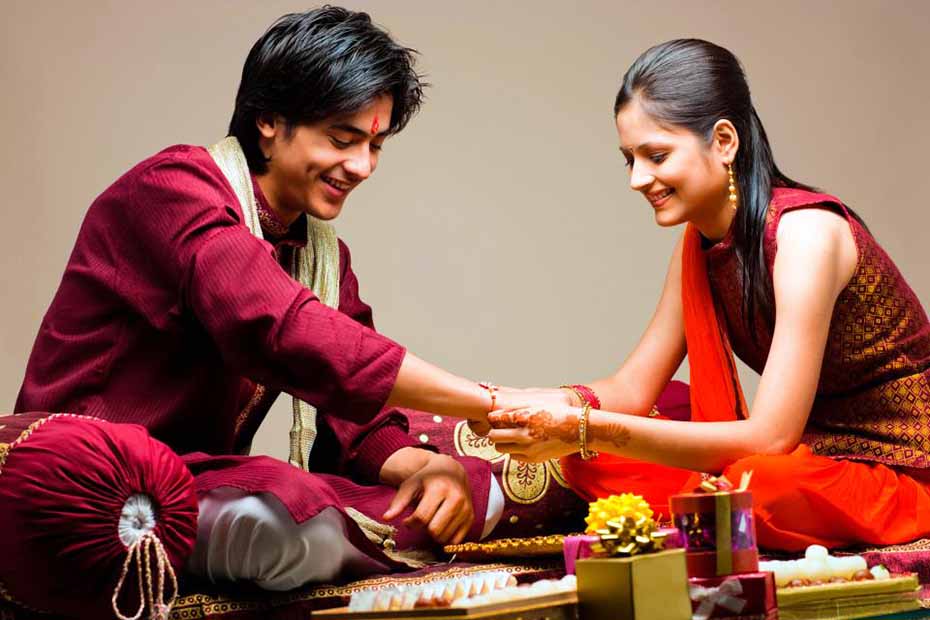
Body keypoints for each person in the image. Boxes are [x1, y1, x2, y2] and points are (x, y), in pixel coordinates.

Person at [15, 7, 566, 590]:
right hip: (89, 485)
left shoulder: (319, 252)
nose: (362, 166)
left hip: (196, 480)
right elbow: (287, 330)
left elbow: (356, 412)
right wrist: (492, 402)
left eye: (375, 145)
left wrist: (428, 469)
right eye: (342, 139)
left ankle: (340, 534)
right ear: (269, 121)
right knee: (283, 520)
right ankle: (331, 538)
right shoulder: (173, 191)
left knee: (473, 492)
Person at [485, 39, 930, 552]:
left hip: (899, 467)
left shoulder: (806, 235)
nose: (637, 179)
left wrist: (583, 425)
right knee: (599, 456)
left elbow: (771, 437)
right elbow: (632, 388)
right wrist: (548, 405)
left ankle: (722, 502)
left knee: (756, 487)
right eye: (629, 159)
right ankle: (716, 501)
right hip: (808, 451)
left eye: (656, 155)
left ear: (723, 141)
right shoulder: (698, 243)